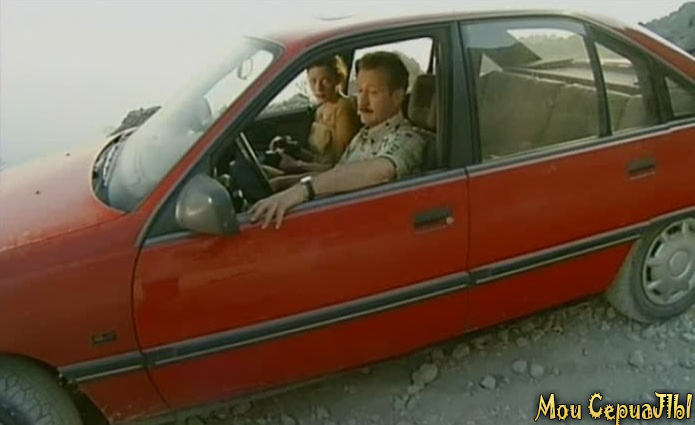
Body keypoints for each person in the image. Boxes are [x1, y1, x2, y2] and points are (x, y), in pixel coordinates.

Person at [250, 51, 427, 229]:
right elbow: (336, 173)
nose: (362, 102)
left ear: (397, 97)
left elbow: (379, 171)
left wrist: (303, 190)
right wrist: (284, 184)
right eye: (360, 91)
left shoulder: (408, 139)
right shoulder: (364, 135)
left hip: (362, 227)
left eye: (373, 93)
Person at [264, 55, 360, 180]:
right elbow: (318, 157)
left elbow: (340, 165)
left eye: (325, 81)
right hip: (316, 171)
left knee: (275, 182)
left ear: (338, 79)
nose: (318, 88)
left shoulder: (344, 109)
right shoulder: (320, 109)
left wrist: (297, 165)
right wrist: (293, 149)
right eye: (313, 81)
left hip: (331, 178)